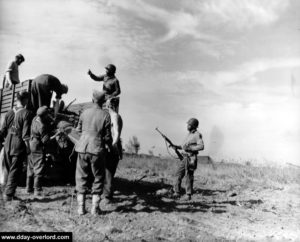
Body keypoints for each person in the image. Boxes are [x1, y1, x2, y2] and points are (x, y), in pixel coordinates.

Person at [75, 90, 112, 215]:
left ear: (92, 100)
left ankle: (80, 208)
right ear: (103, 102)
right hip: (96, 149)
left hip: (82, 148)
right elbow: (107, 137)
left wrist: (85, 137)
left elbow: (78, 130)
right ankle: (95, 209)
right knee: (98, 177)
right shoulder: (106, 115)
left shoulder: (84, 113)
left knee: (81, 176)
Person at [0, 90, 32, 201]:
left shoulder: (8, 112)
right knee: (15, 170)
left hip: (7, 144)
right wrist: (28, 148)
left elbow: (2, 131)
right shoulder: (27, 113)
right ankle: (8, 195)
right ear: (25, 100)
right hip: (18, 145)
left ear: (17, 99)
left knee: (8, 169)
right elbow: (25, 134)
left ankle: (8, 192)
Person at [172, 118, 204, 201]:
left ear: (193, 126)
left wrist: (190, 148)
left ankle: (188, 195)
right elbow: (183, 146)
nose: (187, 126)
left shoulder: (197, 134)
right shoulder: (188, 135)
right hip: (184, 158)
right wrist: (176, 146)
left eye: (189, 125)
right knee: (178, 174)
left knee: (189, 176)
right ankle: (176, 193)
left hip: (191, 158)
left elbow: (201, 146)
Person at [102, 98, 123, 208]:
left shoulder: (110, 116)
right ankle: (106, 196)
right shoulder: (115, 116)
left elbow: (116, 133)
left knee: (107, 172)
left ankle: (106, 197)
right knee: (108, 172)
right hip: (111, 147)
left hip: (109, 148)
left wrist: (112, 145)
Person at [26, 106, 51, 198]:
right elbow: (45, 140)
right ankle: (37, 190)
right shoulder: (42, 126)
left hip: (31, 143)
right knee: (39, 167)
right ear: (44, 116)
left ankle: (28, 188)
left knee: (31, 166)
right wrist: (52, 137)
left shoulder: (34, 119)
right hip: (37, 146)